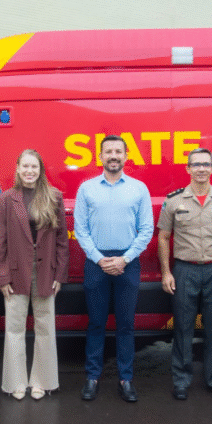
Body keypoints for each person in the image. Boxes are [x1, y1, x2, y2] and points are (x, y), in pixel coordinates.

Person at [74, 135, 153, 402]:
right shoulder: (87, 189)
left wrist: (124, 259)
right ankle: (92, 377)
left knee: (126, 325)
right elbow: (81, 230)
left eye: (118, 151)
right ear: (100, 156)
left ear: (126, 156)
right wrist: (99, 259)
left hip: (127, 264)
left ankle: (126, 379)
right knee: (96, 323)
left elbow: (146, 230)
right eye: (108, 151)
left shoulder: (138, 188)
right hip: (96, 264)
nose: (113, 156)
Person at [157, 148, 212, 401]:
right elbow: (163, 237)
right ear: (188, 169)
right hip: (185, 270)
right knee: (183, 328)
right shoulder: (173, 201)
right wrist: (166, 273)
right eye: (196, 164)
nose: (201, 169)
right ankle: (181, 381)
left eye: (206, 164)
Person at [0, 149, 69, 400]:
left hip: (46, 270)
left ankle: (42, 382)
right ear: (17, 169)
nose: (29, 171)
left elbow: (61, 241)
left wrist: (60, 274)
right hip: (15, 272)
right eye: (25, 166)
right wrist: (2, 276)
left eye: (34, 167)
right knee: (14, 328)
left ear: (40, 170)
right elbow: (0, 241)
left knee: (45, 326)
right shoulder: (7, 199)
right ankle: (16, 382)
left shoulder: (54, 197)